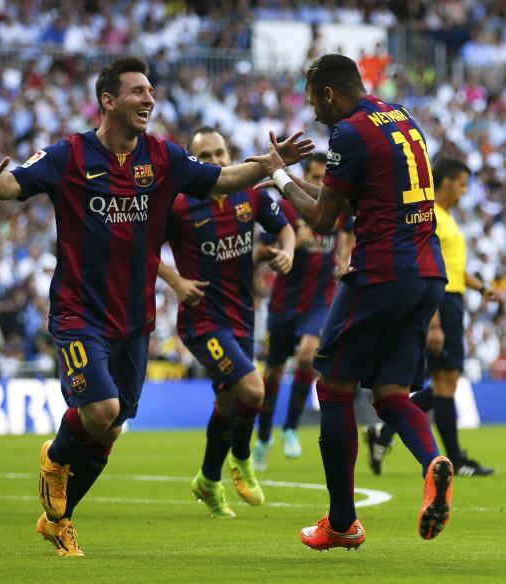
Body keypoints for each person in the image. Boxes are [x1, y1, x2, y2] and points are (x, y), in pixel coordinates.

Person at [0, 56, 309, 556]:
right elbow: (13, 185)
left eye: (151, 91)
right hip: (79, 311)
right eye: (137, 91)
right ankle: (55, 456)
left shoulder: (162, 157)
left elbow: (219, 179)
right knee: (99, 410)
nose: (149, 98)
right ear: (108, 101)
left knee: (112, 429)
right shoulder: (70, 155)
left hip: (134, 318)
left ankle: (58, 520)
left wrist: (268, 166)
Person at [250, 54, 454, 550]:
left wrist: (277, 176)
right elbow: (344, 198)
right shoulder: (400, 115)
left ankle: (342, 522)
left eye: (314, 102)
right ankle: (432, 462)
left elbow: (321, 220)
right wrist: (293, 178)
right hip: (427, 272)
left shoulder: (348, 133)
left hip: (383, 270)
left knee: (335, 388)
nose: (316, 115)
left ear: (327, 94)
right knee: (389, 394)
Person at [157, 126, 298, 517]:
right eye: (205, 156)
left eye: (220, 153)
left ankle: (206, 479)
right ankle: (241, 457)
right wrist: (176, 282)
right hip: (202, 319)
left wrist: (286, 252)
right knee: (252, 391)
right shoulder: (180, 205)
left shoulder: (249, 194)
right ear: (192, 163)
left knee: (226, 401)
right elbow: (144, 249)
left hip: (242, 315)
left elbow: (285, 226)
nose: (216, 161)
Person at [364, 157, 497, 477]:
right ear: (447, 181)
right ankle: (456, 459)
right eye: (463, 184)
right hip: (441, 300)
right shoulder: (432, 216)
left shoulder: (446, 217)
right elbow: (428, 267)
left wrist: (481, 288)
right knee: (446, 382)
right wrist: (434, 322)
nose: (465, 192)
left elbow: (451, 266)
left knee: (442, 384)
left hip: (453, 298)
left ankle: (385, 434)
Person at [254, 152, 353, 464]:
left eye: (325, 178)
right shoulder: (285, 208)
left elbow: (350, 231)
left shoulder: (337, 211)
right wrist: (293, 243)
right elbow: (260, 251)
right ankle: (265, 435)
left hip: (318, 302)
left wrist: (344, 259)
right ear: (304, 177)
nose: (319, 183)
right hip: (284, 304)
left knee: (309, 357)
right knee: (272, 374)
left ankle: (291, 429)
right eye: (314, 176)